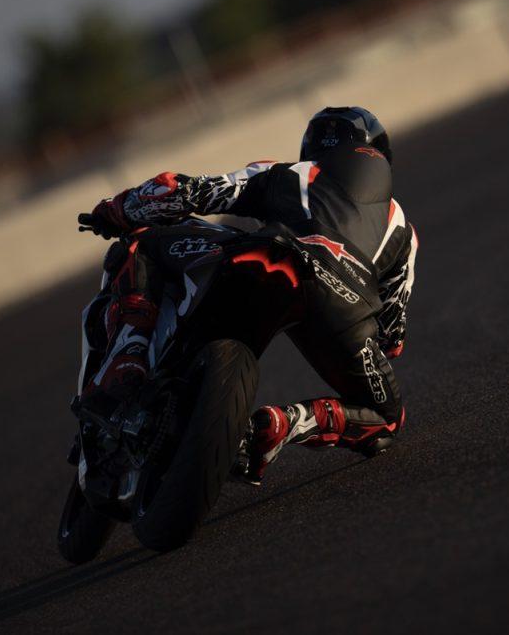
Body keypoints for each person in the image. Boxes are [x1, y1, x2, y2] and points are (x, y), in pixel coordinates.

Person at [82, 106, 418, 484]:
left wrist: (119, 209)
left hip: (270, 256)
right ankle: (286, 423)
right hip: (347, 306)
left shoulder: (289, 172)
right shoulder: (403, 230)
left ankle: (128, 357)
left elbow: (185, 191)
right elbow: (393, 336)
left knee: (141, 243)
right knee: (386, 418)